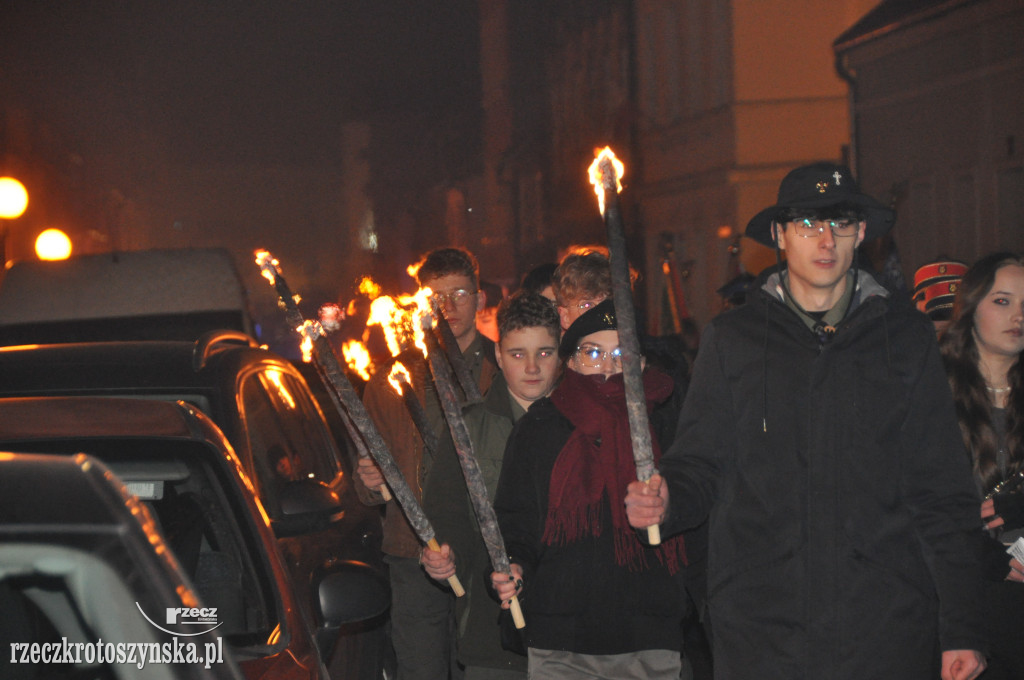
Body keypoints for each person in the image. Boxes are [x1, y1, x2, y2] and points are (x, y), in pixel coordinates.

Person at [625, 162, 988, 679]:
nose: (826, 241)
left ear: (861, 233)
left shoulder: (905, 339)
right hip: (765, 630)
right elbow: (700, 463)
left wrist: (962, 628)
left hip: (884, 627)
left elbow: (942, 491)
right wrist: (665, 499)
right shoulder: (733, 340)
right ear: (780, 235)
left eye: (840, 224)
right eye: (808, 225)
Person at [490, 299, 688, 680]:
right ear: (573, 361)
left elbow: (694, 515)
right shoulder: (540, 428)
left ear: (641, 361)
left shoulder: (666, 423)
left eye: (621, 353)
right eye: (593, 353)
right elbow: (515, 522)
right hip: (562, 637)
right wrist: (511, 565)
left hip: (649, 635)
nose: (609, 366)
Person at [356, 246, 499, 680]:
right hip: (413, 551)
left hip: (487, 551)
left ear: (479, 298)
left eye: (459, 293)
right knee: (420, 668)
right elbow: (368, 480)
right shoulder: (390, 380)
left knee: (484, 668)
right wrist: (370, 479)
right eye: (436, 297)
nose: (449, 306)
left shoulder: (506, 366)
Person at [420, 290, 563, 679]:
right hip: (492, 635)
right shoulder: (470, 428)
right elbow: (446, 512)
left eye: (545, 352)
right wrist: (444, 558)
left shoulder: (581, 424)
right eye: (518, 354)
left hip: (573, 634)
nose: (532, 367)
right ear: (498, 356)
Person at [938, 252, 1024, 679]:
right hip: (959, 608)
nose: (1019, 316)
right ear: (971, 307)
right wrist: (979, 550)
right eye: (1003, 301)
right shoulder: (932, 390)